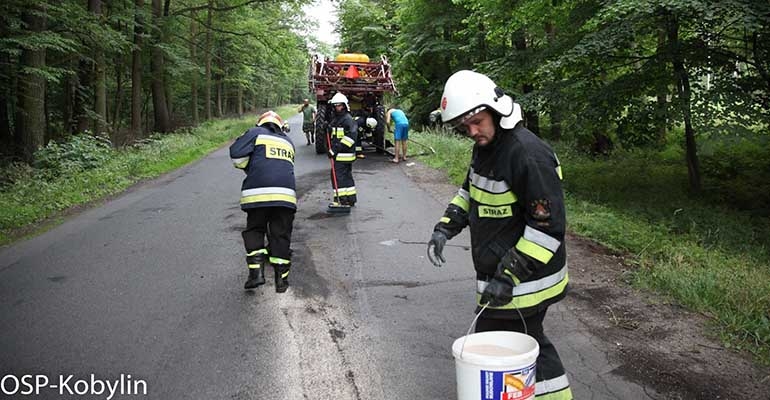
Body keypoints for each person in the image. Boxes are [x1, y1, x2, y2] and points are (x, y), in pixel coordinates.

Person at [427, 70, 572, 399]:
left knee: (511, 345)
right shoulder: (487, 147)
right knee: (524, 346)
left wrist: (508, 276)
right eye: (464, 127)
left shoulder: (527, 155)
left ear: (495, 110)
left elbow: (547, 228)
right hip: (505, 276)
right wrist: (445, 227)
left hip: (527, 282)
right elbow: (470, 192)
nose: (472, 132)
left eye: (477, 122)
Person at [229, 110, 296, 293]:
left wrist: (252, 166)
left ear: (261, 123)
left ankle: (256, 274)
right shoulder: (288, 141)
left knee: (255, 229)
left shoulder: (255, 133)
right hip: (285, 196)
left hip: (257, 193)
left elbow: (236, 155)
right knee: (281, 234)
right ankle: (281, 281)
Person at [327, 92, 358, 206]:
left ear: (344, 105)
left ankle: (341, 200)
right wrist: (328, 128)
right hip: (342, 154)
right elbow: (335, 134)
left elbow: (350, 137)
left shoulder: (347, 119)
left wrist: (334, 150)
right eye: (335, 106)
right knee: (346, 176)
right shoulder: (338, 119)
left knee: (338, 177)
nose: (337, 108)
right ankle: (351, 198)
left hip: (343, 155)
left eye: (339, 105)